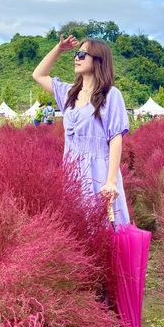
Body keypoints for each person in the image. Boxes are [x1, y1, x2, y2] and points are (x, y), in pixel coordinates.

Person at [32, 35, 130, 226]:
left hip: (100, 173)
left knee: (105, 230)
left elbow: (115, 139)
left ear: (98, 60)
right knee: (79, 232)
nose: (76, 58)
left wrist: (111, 182)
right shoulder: (69, 93)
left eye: (82, 54)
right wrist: (59, 49)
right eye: (76, 54)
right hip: (73, 176)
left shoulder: (111, 95)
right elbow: (38, 75)